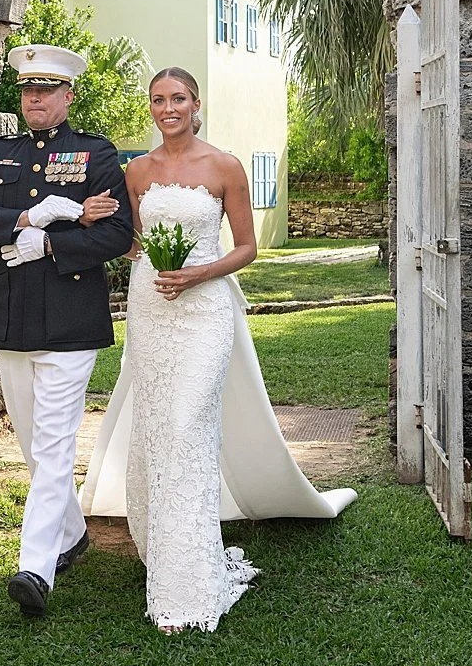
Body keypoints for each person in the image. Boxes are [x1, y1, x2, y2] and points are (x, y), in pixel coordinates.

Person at [78, 66, 356, 633]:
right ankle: (163, 547)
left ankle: (192, 577)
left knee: (186, 427)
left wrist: (200, 272)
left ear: (196, 103)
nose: (168, 108)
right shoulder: (137, 171)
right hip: (153, 308)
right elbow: (132, 242)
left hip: (204, 312)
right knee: (158, 425)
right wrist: (104, 229)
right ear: (151, 108)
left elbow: (249, 247)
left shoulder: (225, 166)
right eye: (158, 100)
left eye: (178, 98)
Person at [0, 42, 135, 619]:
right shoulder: (0, 153)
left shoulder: (96, 155)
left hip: (69, 322)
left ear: (68, 96)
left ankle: (35, 566)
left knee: (55, 444)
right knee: (37, 446)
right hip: (12, 319)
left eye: (47, 90)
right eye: (28, 89)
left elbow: (114, 237)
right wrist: (35, 217)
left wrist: (50, 244)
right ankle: (74, 535)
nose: (35, 98)